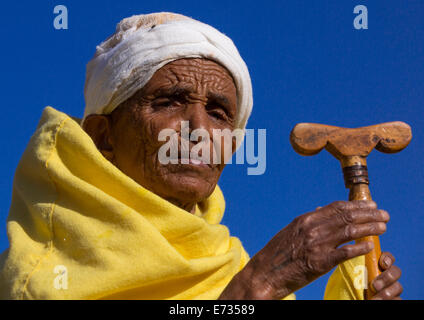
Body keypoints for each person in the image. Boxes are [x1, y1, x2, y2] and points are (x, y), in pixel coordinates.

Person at [0, 12, 402, 300]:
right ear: (103, 136)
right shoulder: (44, 271)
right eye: (170, 102)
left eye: (219, 113)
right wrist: (256, 287)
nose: (198, 130)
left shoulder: (229, 261)